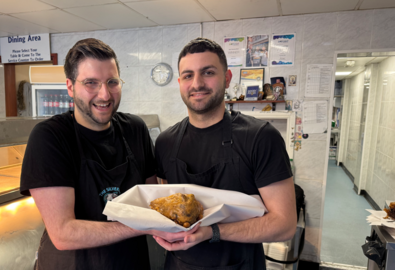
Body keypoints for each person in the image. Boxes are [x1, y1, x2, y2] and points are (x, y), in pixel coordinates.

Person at [154, 37, 297, 269]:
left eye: (208, 72)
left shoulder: (260, 137)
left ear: (227, 78)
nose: (197, 83)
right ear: (180, 82)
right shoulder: (165, 142)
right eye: (188, 75)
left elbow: (285, 224)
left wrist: (212, 232)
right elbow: (168, 211)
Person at [20, 38, 161, 269]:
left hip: (129, 261)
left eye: (112, 82)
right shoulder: (51, 137)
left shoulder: (135, 129)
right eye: (91, 83)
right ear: (70, 87)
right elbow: (63, 233)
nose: (105, 95)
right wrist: (143, 226)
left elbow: (152, 200)